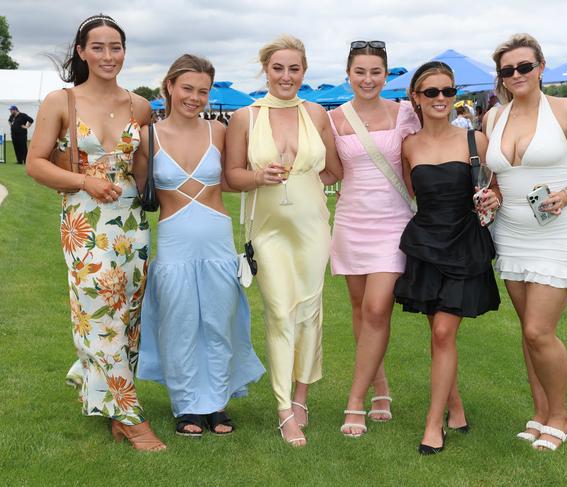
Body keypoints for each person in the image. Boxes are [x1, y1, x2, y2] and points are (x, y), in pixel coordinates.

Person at [25, 14, 165, 451]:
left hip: (131, 226)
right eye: (99, 47)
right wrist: (85, 180)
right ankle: (131, 415)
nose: (109, 56)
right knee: (99, 312)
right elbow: (36, 163)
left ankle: (102, 395)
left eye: (116, 47)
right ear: (82, 52)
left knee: (126, 318)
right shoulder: (60, 101)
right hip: (84, 223)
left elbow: (143, 173)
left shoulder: (139, 106)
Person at [485, 33, 567, 451]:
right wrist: (492, 196)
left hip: (558, 231)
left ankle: (560, 417)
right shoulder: (493, 118)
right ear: (500, 76)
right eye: (507, 70)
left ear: (541, 66)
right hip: (511, 232)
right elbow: (498, 178)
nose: (516, 75)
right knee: (527, 330)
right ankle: (539, 413)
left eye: (524, 66)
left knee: (540, 330)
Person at [135, 54, 265, 437]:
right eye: (187, 88)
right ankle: (188, 405)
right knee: (179, 326)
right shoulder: (148, 136)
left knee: (220, 323)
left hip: (217, 240)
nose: (195, 97)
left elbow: (232, 178)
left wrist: (262, 176)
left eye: (203, 91)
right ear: (170, 87)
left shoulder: (220, 131)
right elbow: (140, 189)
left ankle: (218, 403)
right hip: (174, 243)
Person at [224, 35, 342, 447]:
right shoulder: (245, 117)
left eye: (294, 69)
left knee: (309, 311)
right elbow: (230, 177)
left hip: (312, 229)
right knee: (278, 312)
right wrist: (260, 178)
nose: (286, 76)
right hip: (267, 231)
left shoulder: (317, 114)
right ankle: (282, 409)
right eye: (278, 68)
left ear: (304, 72)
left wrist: (306, 188)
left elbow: (335, 169)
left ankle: (302, 396)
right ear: (266, 70)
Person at [393, 61, 501, 455]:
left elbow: (496, 190)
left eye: (448, 91)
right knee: (437, 333)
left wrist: (494, 196)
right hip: (426, 244)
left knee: (443, 333)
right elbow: (412, 195)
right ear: (416, 99)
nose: (441, 99)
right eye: (432, 92)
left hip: (464, 243)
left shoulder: (477, 140)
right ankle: (455, 408)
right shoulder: (408, 147)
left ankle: (432, 424)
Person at [328, 40, 420, 437]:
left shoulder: (405, 114)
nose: (368, 79)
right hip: (351, 220)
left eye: (375, 72)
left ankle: (355, 400)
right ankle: (380, 387)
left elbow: (422, 160)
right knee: (359, 308)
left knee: (378, 308)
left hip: (393, 221)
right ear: (348, 74)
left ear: (387, 74)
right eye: (360, 72)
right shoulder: (331, 118)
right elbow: (329, 171)